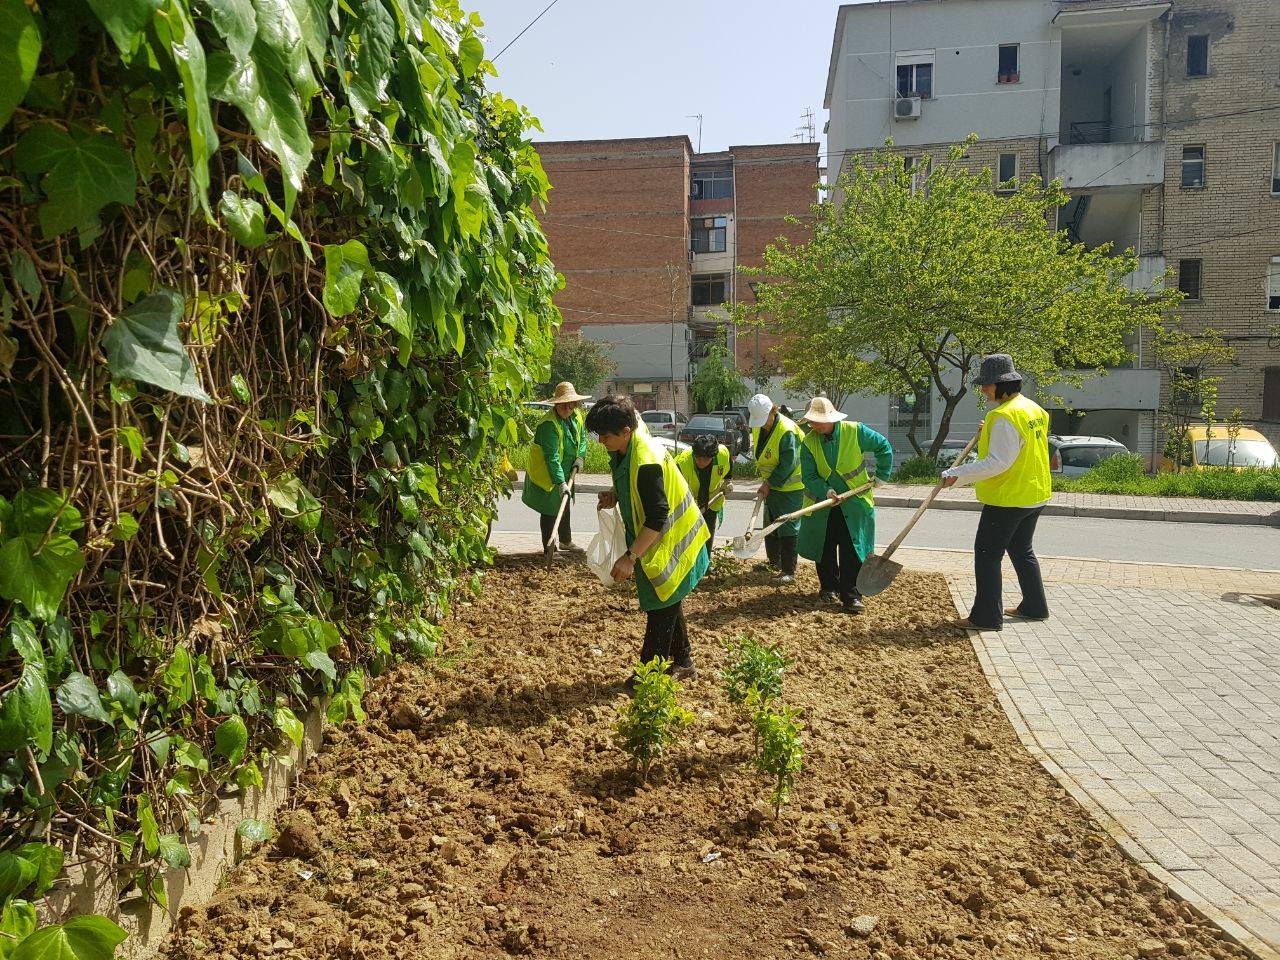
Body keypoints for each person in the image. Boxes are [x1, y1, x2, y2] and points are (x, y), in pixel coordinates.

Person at [587, 395, 709, 684]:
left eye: (605, 436)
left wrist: (630, 557)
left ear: (625, 431)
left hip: (673, 541)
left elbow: (657, 516)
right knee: (668, 600)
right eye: (598, 435)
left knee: (660, 608)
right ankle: (684, 662)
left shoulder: (646, 461)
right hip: (659, 541)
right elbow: (634, 487)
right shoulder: (627, 443)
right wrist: (616, 495)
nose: (601, 441)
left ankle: (648, 675)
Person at [941, 354, 1051, 631]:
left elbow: (998, 462)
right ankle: (1035, 606)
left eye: (987, 385)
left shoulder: (1002, 416)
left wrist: (956, 474)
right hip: (1034, 493)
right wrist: (989, 429)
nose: (983, 390)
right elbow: (1019, 444)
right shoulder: (1032, 409)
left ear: (1002, 385)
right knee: (1021, 549)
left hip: (1008, 497)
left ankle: (986, 617)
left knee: (987, 554)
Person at [797, 396, 893, 613]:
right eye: (812, 422)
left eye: (819, 421)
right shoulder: (809, 442)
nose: (815, 426)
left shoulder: (855, 431)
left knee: (852, 548)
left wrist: (882, 476)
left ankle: (851, 596)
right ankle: (829, 588)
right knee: (825, 547)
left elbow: (883, 446)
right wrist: (827, 491)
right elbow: (809, 476)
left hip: (854, 503)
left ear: (832, 418)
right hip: (825, 505)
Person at [521, 382, 589, 555]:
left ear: (575, 404)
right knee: (550, 509)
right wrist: (560, 482)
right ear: (556, 404)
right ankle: (549, 548)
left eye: (571, 404)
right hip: (548, 473)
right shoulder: (548, 425)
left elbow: (582, 438)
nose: (567, 408)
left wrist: (580, 457)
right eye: (563, 405)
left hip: (567, 469)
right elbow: (551, 458)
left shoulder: (576, 416)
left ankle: (566, 541)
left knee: (564, 503)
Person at [747, 393, 804, 585]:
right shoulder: (759, 428)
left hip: (790, 488)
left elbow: (788, 464)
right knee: (770, 525)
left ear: (773, 410)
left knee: (787, 526)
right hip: (772, 486)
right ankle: (774, 563)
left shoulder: (787, 431)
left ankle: (788, 571)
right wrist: (767, 483)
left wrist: (769, 483)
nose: (762, 424)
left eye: (765, 420)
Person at [675, 434, 732, 561]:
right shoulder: (681, 464)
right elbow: (676, 491)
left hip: (712, 500)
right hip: (688, 502)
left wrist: (728, 480)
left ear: (713, 456)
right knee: (689, 536)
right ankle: (688, 562)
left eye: (706, 459)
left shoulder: (722, 454)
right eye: (698, 458)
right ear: (694, 454)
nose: (701, 462)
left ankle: (705, 564)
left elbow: (729, 465)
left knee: (708, 533)